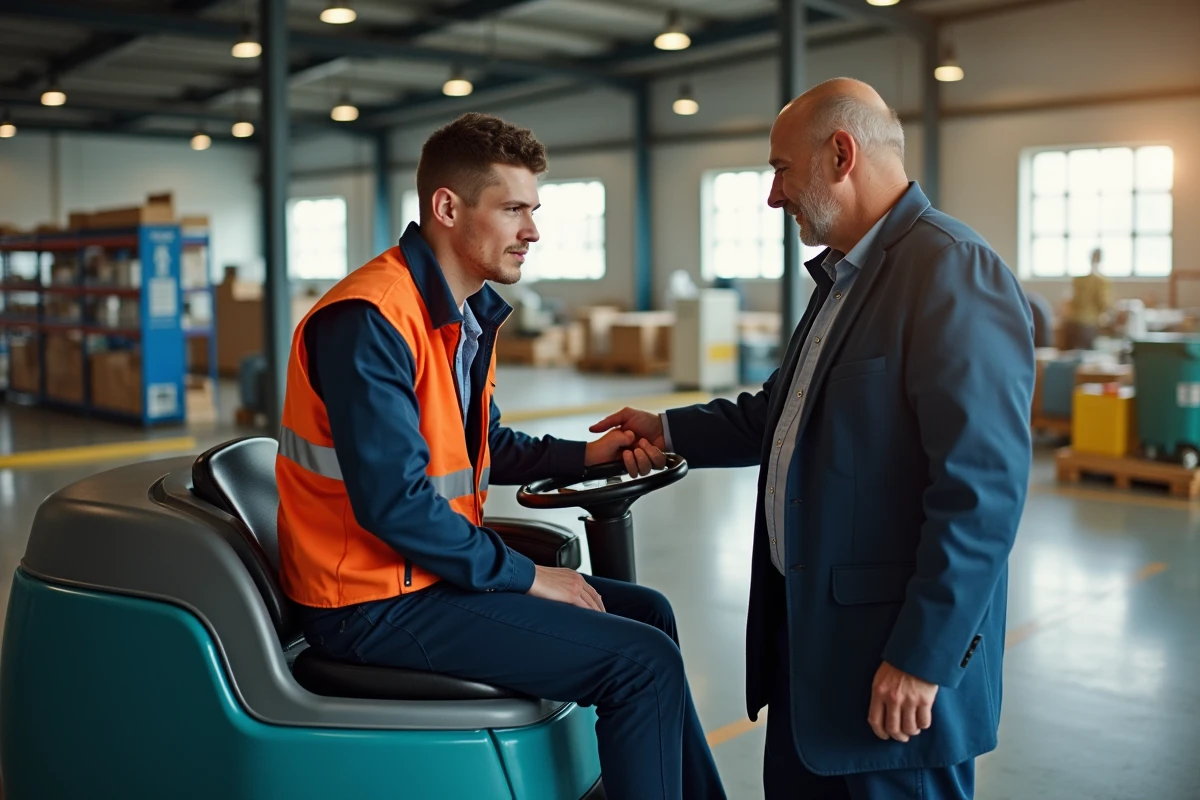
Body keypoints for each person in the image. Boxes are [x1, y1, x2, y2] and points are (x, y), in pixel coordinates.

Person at [593, 78, 1034, 800]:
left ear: (840, 153)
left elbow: (980, 492)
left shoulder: (950, 269)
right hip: (816, 656)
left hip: (892, 672)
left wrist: (923, 658)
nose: (774, 195)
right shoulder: (846, 278)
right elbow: (783, 413)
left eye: (780, 169)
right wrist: (667, 429)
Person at [275, 112, 725, 800]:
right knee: (641, 664)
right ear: (447, 208)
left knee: (648, 616)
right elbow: (395, 504)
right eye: (514, 209)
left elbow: (480, 447)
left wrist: (589, 454)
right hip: (368, 601)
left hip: (423, 578)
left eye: (534, 210)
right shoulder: (369, 319)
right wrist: (525, 577)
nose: (534, 231)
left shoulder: (459, 313)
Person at [1063, 247, 1112, 349]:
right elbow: (1103, 303)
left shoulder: (1078, 280)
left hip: (1072, 323)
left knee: (1073, 355)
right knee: (1087, 356)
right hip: (1089, 324)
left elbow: (1071, 301)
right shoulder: (1101, 282)